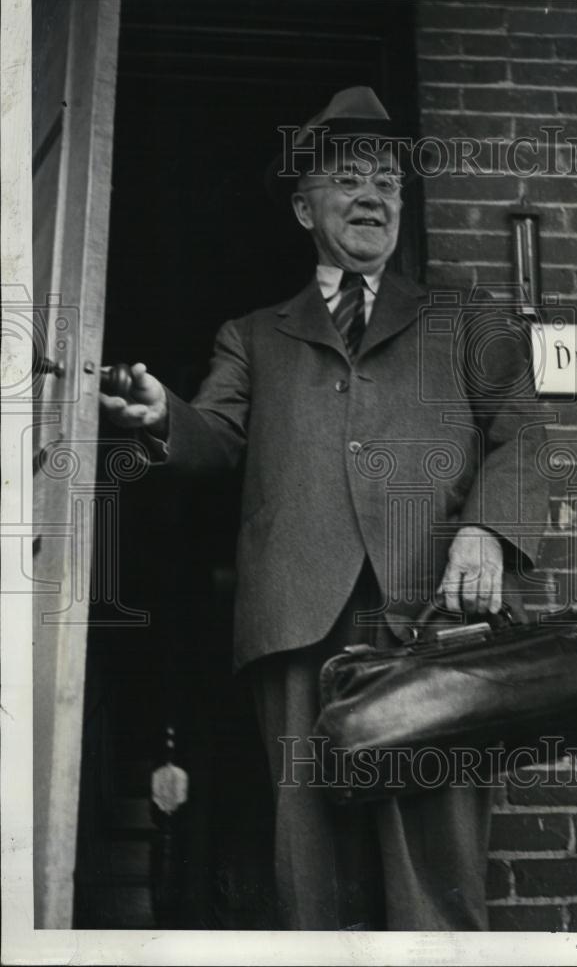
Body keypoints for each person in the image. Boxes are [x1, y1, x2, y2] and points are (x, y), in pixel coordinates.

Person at [100, 86, 553, 930]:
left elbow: (521, 434)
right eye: (347, 178)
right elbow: (215, 434)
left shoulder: (467, 318)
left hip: (435, 619)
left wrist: (488, 532)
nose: (373, 193)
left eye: (387, 178)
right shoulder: (254, 334)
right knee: (312, 875)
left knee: (436, 866)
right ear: (305, 208)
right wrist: (163, 417)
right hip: (298, 622)